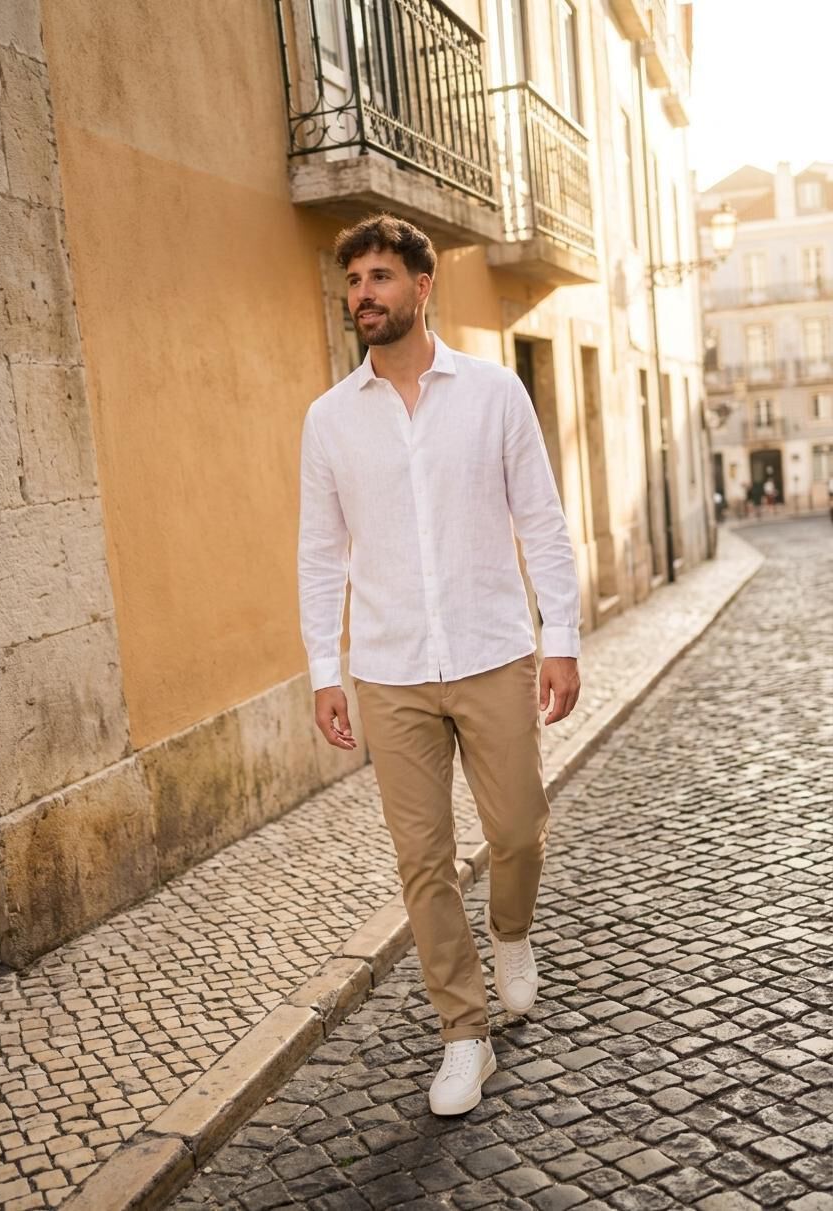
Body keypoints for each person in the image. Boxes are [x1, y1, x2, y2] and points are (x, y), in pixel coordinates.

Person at [297, 214, 581, 1116]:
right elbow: (319, 553)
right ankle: (464, 1032)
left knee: (519, 829)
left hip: (493, 649)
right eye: (354, 281)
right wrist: (324, 667)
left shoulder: (494, 393)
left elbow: (541, 519)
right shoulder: (329, 419)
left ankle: (512, 930)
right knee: (423, 860)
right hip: (390, 671)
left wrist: (563, 637)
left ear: (422, 288)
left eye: (379, 277)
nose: (363, 294)